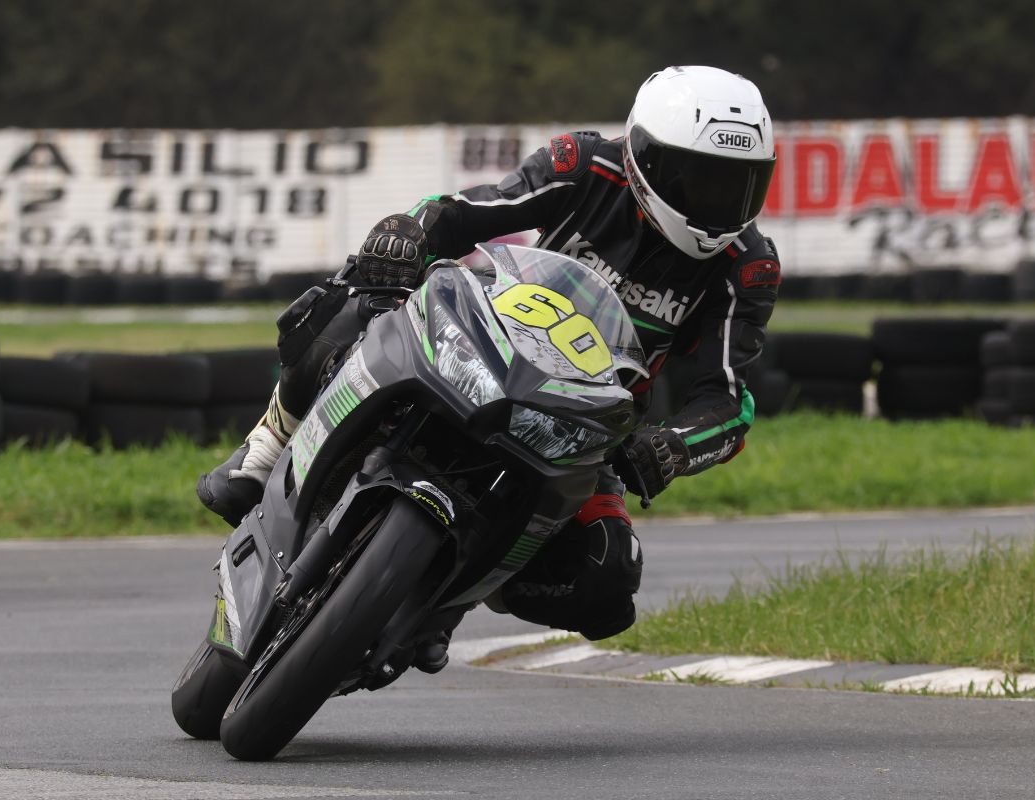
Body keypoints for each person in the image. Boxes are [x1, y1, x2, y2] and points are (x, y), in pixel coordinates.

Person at [197, 65, 781, 671]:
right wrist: (408, 235)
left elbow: (727, 400)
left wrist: (673, 447)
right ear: (644, 157)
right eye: (700, 178)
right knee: (358, 294)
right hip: (483, 341)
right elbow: (462, 213)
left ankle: (447, 596)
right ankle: (269, 444)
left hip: (586, 427)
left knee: (608, 583)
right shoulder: (586, 165)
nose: (720, 204)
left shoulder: (747, 266)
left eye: (741, 185)